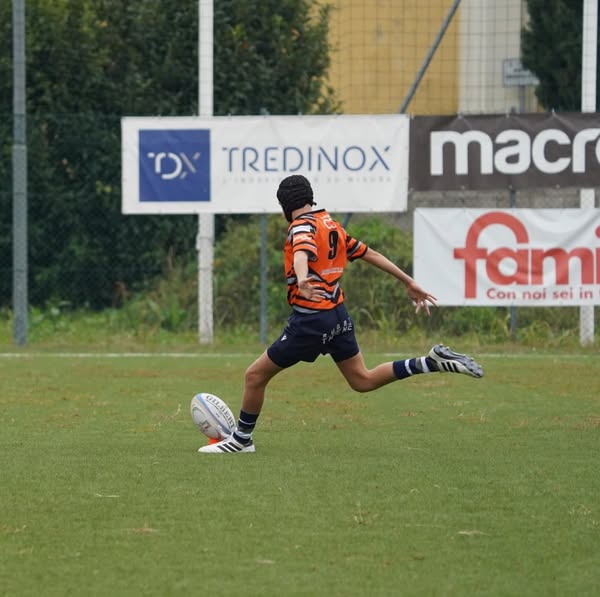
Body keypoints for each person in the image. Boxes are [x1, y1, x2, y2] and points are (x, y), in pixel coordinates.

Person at [199, 175, 483, 454]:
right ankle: (429, 362)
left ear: (285, 206)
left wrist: (302, 278)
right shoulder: (331, 224)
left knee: (254, 376)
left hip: (311, 320)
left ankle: (242, 440)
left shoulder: (301, 225)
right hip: (338, 316)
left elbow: (301, 252)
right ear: (310, 199)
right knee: (362, 380)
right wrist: (408, 280)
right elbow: (370, 253)